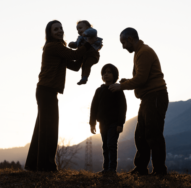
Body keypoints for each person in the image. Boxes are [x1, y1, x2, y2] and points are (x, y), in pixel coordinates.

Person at [24, 20, 97, 172]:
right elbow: (75, 54)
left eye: (61, 28)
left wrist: (87, 55)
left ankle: (33, 164)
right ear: (49, 33)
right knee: (48, 129)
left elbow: (75, 66)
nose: (60, 31)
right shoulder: (53, 47)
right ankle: (45, 166)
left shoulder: (60, 49)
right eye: (55, 29)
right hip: (46, 91)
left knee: (42, 129)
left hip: (47, 91)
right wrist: (89, 44)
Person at [108, 27, 169, 176]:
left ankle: (159, 170)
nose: (123, 47)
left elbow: (141, 78)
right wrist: (128, 81)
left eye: (123, 42)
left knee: (153, 134)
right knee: (140, 134)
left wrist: (122, 86)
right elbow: (142, 78)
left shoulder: (144, 52)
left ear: (130, 39)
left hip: (155, 97)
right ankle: (141, 168)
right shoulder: (139, 53)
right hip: (148, 98)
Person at [89, 64, 127, 174]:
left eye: (109, 72)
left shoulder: (118, 90)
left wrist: (120, 123)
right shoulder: (99, 90)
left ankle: (112, 169)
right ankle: (106, 168)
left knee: (111, 144)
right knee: (105, 145)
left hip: (114, 123)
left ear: (115, 75)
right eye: (104, 72)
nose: (106, 74)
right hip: (102, 123)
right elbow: (94, 107)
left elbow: (122, 107)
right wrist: (92, 123)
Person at [68, 20, 103, 85]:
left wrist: (86, 33)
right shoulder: (80, 37)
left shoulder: (91, 33)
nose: (78, 30)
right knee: (83, 66)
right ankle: (83, 78)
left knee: (87, 64)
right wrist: (73, 44)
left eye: (80, 28)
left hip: (92, 54)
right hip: (84, 55)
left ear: (87, 27)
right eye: (77, 29)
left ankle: (85, 77)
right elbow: (77, 44)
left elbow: (93, 31)